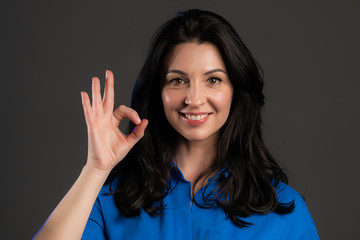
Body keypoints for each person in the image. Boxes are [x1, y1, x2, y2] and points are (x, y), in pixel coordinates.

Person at [34, 9, 319, 239]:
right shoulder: (112, 201)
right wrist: (96, 169)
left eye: (213, 80)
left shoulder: (282, 208)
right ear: (158, 92)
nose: (194, 99)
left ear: (235, 90)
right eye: (178, 80)